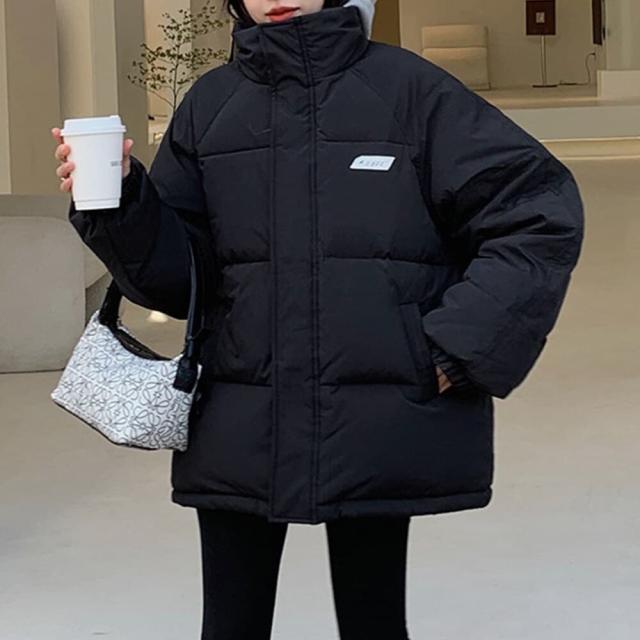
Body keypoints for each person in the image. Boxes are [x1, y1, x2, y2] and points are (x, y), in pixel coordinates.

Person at [52, 1, 584, 638]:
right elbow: (179, 279)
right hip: (237, 409)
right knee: (230, 625)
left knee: (373, 624)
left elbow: (536, 211)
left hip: (376, 410)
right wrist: (119, 204)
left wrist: (459, 349)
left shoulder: (408, 90)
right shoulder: (210, 104)